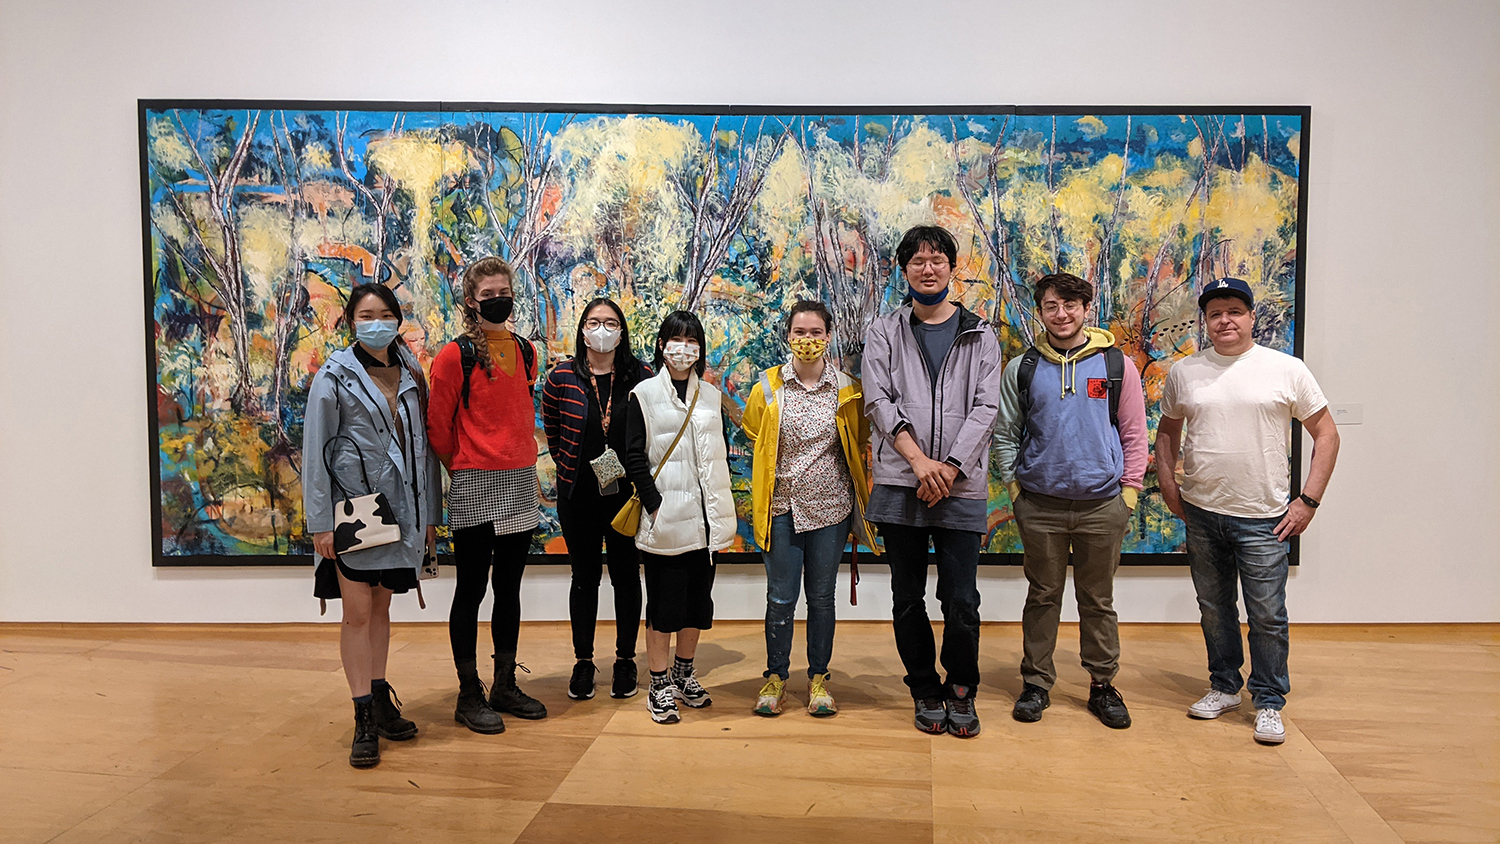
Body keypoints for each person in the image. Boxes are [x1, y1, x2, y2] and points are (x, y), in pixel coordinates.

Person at [1156, 277, 1340, 745]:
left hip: (1264, 517)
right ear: (1205, 320)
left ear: (1252, 316)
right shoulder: (1185, 372)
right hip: (1202, 512)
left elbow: (1327, 434)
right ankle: (1224, 686)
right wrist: (1168, 485)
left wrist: (1309, 501)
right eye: (1215, 313)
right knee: (1214, 609)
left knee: (1267, 614)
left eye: (1234, 311)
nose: (1225, 320)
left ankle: (1269, 700)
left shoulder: (1286, 369)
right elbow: (1167, 433)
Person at [863, 225, 1002, 738]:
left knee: (961, 598)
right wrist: (920, 462)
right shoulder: (884, 331)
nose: (928, 267)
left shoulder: (980, 333)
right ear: (904, 270)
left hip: (961, 485)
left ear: (951, 268)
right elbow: (879, 401)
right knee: (906, 596)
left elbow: (988, 406)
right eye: (918, 260)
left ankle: (961, 688)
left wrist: (949, 466)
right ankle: (923, 686)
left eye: (938, 259)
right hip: (902, 481)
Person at [994, 272, 1148, 729]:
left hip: (1103, 505)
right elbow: (1005, 434)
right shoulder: (1022, 368)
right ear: (1040, 312)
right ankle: (1037, 683)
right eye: (1050, 306)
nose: (1060, 314)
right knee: (1042, 596)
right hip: (1039, 504)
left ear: (1086, 308)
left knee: (1097, 599)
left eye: (1069, 305)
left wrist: (1130, 493)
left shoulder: (1117, 366)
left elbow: (1135, 432)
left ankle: (1102, 684)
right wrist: (1016, 490)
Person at [303, 283, 440, 768]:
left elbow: (423, 450)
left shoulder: (411, 372)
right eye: (366, 315)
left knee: (381, 609)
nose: (376, 321)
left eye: (385, 313)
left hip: (403, 512)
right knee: (356, 612)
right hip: (354, 510)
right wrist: (320, 523)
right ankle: (362, 713)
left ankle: (379, 698)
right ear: (351, 321)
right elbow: (316, 451)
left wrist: (429, 519)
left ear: (397, 319)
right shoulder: (334, 377)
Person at [427, 256, 546, 734]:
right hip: (474, 481)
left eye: (504, 292)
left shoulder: (525, 350)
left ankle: (503, 683)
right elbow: (438, 425)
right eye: (488, 295)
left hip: (519, 478)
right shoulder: (454, 356)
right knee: (471, 589)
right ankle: (468, 690)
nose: (499, 301)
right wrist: (465, 462)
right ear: (470, 303)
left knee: (510, 588)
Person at [742, 300, 877, 717]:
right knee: (780, 599)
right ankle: (775, 679)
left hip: (830, 510)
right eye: (800, 332)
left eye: (816, 332)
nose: (808, 340)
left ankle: (819, 679)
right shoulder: (767, 386)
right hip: (781, 507)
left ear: (828, 335)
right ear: (788, 336)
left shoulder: (849, 389)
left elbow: (858, 440)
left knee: (821, 599)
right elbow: (753, 432)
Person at [622, 311, 735, 724]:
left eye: (691, 341)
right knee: (664, 608)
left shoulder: (709, 395)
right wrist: (655, 503)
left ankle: (684, 674)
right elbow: (634, 455)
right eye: (675, 339)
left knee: (696, 605)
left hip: (705, 522)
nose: (683, 348)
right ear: (662, 346)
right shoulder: (644, 394)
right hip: (666, 520)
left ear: (700, 349)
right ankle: (658, 682)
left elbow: (716, 454)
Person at [540, 298, 649, 702]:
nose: (602, 329)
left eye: (610, 322)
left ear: (622, 331)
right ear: (582, 328)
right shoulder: (562, 377)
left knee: (625, 577)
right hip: (578, 495)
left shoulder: (639, 376)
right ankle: (583, 661)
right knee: (584, 579)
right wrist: (568, 462)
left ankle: (625, 660)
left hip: (626, 497)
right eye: (594, 322)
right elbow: (552, 427)